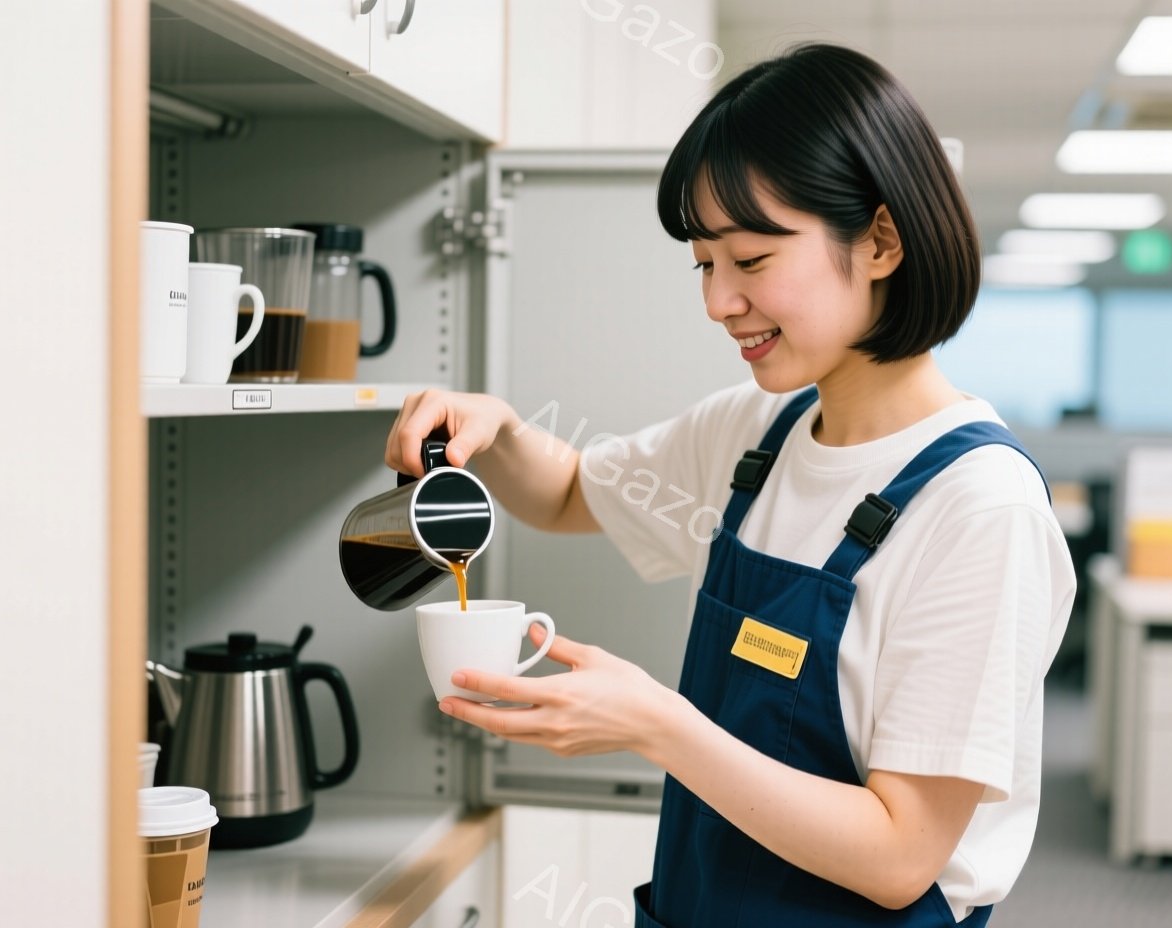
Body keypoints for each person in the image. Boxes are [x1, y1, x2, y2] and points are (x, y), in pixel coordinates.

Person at [384, 43, 1076, 927]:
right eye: (704, 264)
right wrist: (501, 428)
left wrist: (655, 724)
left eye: (749, 261)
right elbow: (564, 495)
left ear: (881, 240)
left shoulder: (981, 509)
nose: (718, 303)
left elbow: (902, 856)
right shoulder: (759, 434)